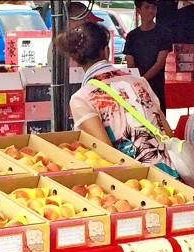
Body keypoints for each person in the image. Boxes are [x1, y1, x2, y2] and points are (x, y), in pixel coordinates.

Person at [55, 22, 178, 178]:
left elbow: (106, 153)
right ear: (106, 50)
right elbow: (168, 133)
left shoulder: (82, 98)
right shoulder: (140, 83)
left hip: (134, 184)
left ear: (75, 59)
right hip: (171, 176)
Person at [123, 0, 171, 115]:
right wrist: (136, 81)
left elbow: (160, 62)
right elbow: (130, 63)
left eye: (153, 7)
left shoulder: (164, 33)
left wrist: (142, 80)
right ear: (139, 10)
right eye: (147, 7)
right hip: (137, 87)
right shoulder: (131, 36)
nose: (151, 11)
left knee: (159, 119)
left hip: (156, 86)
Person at [46, 1, 104, 67]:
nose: (88, 27)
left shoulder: (65, 43)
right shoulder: (66, 45)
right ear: (69, 20)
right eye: (84, 20)